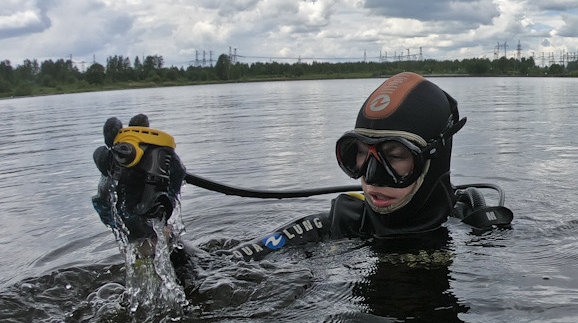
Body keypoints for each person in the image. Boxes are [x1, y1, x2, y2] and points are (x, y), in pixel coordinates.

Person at [92, 72, 512, 268]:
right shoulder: (337, 225)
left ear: (434, 158)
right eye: (360, 155)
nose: (371, 176)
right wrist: (153, 237)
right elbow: (221, 272)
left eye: (395, 155)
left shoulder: (479, 227)